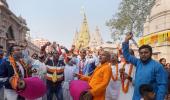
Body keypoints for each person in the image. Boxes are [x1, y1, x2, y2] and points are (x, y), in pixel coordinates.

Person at [122, 33, 168, 100]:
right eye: (141, 53)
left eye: (146, 52)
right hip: (136, 97)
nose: (143, 54)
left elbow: (162, 85)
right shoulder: (138, 62)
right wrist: (126, 40)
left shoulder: (157, 66)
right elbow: (127, 55)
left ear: (151, 53)